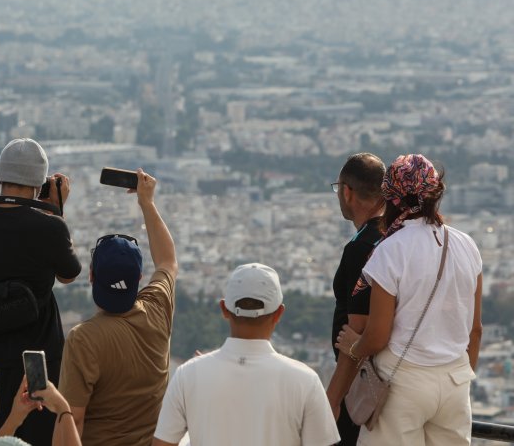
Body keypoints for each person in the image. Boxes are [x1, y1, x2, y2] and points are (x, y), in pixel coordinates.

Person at [335, 154, 482, 445]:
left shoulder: (391, 249)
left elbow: (377, 336)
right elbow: (474, 330)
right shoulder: (466, 245)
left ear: (390, 196)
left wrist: (353, 345)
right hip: (454, 383)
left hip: (403, 384)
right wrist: (461, 378)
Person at [0, 138, 82, 445]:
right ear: (39, 183)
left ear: (0, 177)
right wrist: (55, 212)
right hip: (38, 358)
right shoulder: (49, 227)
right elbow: (68, 274)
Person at [152, 263, 341, 446]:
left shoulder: (187, 375)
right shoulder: (306, 381)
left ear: (225, 309)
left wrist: (201, 372)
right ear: (279, 313)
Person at [57, 169, 178, 446]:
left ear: (91, 277)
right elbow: (167, 262)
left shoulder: (83, 339)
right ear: (138, 279)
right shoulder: (157, 309)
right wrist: (147, 202)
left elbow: (72, 419)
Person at [324, 153, 385, 445]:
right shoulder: (396, 237)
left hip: (361, 385)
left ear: (347, 192)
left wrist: (333, 397)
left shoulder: (362, 246)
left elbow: (355, 331)